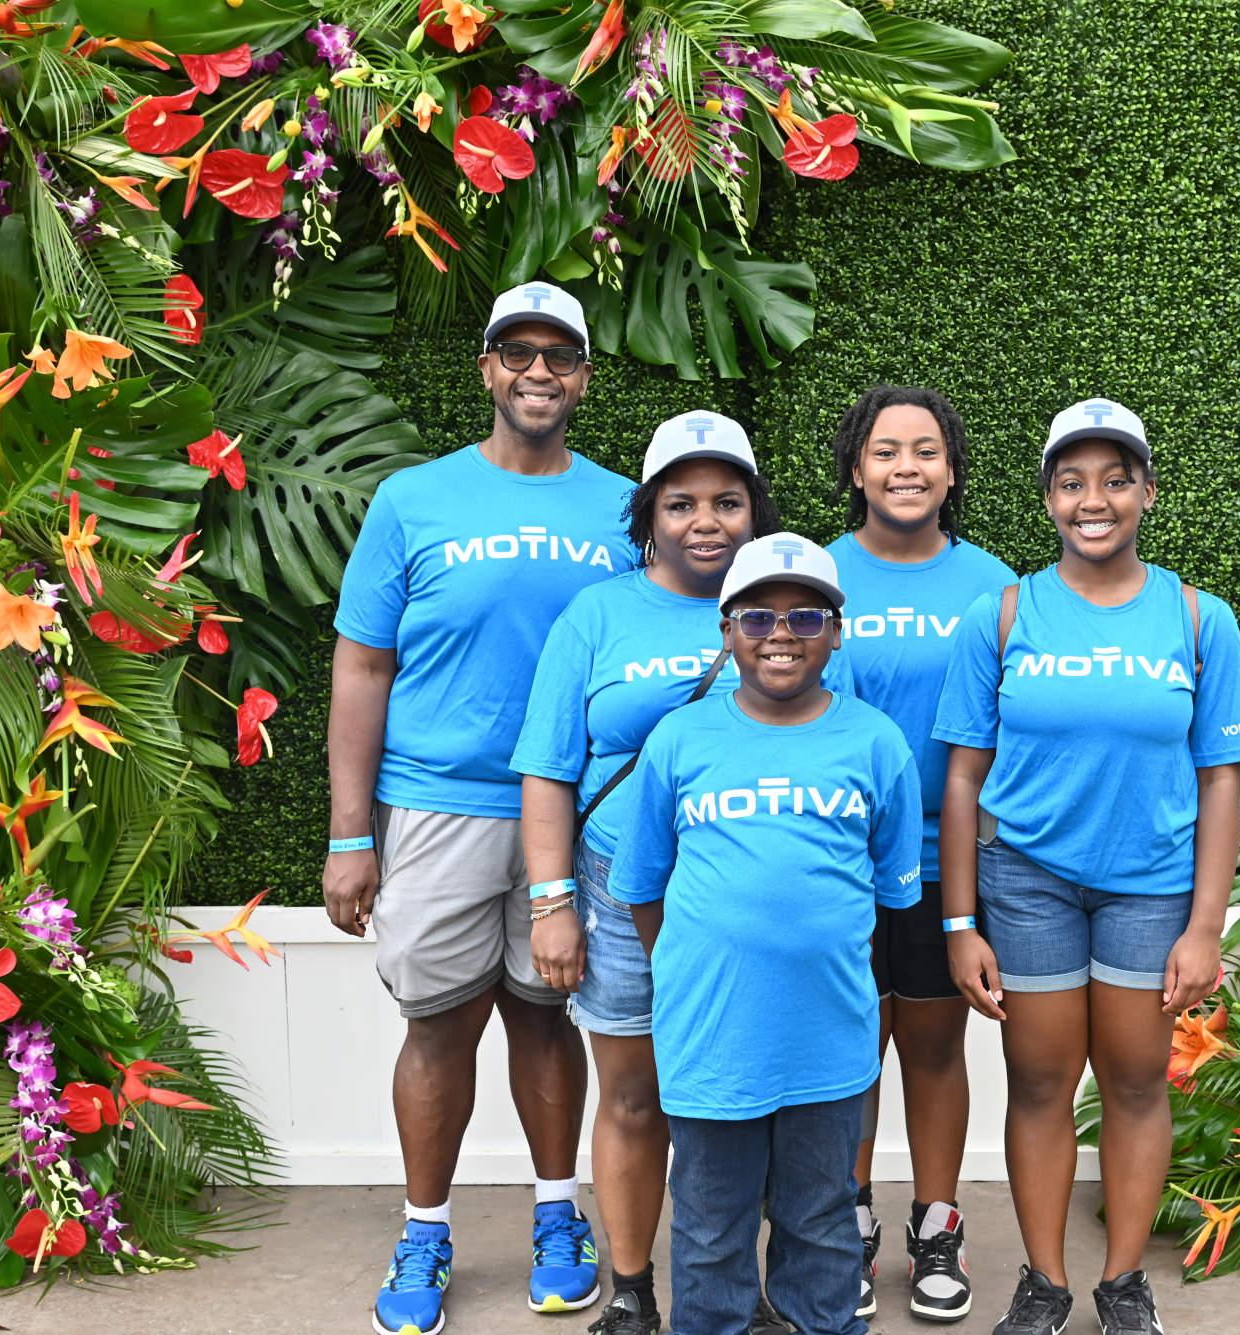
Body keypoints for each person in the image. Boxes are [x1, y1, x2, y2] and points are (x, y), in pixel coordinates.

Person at [328, 282, 632, 1335]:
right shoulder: (414, 501)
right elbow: (363, 667)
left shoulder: (624, 508)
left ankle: (559, 1220)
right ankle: (424, 1230)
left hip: (583, 815)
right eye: (518, 351)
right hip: (439, 805)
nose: (539, 370)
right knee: (439, 1024)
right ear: (487, 369)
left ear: (584, 376)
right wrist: (348, 835)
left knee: (545, 1017)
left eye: (560, 354)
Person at [932, 399, 1240, 1335]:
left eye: (1116, 479)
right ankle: (1044, 1281)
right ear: (1047, 499)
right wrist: (960, 925)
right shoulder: (1000, 616)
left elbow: (1221, 781)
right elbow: (962, 779)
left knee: (1133, 1079)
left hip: (1149, 887)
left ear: (1147, 492)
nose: (1095, 498)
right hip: (1028, 882)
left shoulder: (1200, 619)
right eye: (1072, 481)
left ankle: (1123, 1284)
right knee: (1038, 1081)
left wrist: (1208, 925)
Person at [514, 412, 846, 1335]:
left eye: (728, 501)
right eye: (682, 501)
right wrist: (553, 903)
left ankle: (771, 1293)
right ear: (648, 515)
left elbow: (839, 746)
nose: (707, 520)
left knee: (766, 1092)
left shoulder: (791, 606)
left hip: (754, 903)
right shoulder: (599, 614)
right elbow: (548, 767)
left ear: (755, 510)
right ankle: (631, 1286)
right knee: (634, 1094)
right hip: (625, 893)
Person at [608, 534, 923, 1335]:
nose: (781, 632)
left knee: (821, 1223)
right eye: (757, 616)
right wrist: (692, 968)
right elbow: (642, 887)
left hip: (827, 1045)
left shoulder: (877, 743)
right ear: (726, 630)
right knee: (711, 1233)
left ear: (837, 631)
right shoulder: (679, 740)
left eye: (806, 615)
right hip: (712, 1043)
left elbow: (888, 889)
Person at [824, 387, 1014, 1323]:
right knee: (851, 1053)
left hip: (949, 866)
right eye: (887, 450)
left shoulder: (996, 587)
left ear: (951, 471)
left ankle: (937, 1226)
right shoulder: (811, 576)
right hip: (836, 865)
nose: (908, 467)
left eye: (927, 451)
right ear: (856, 467)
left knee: (935, 1048)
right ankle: (846, 1223)